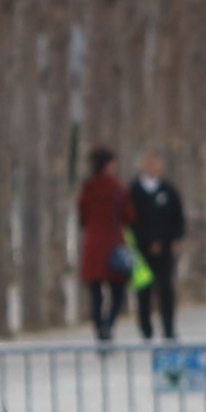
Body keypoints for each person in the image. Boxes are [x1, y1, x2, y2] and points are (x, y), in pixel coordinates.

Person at [123, 156, 189, 344]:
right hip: (141, 250)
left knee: (166, 288)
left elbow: (178, 218)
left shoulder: (168, 190)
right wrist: (144, 241)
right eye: (149, 163)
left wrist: (175, 238)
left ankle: (169, 329)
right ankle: (146, 329)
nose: (153, 167)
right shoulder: (134, 190)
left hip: (165, 248)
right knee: (143, 289)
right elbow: (131, 220)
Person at [75, 147, 132, 344]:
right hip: (114, 243)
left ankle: (99, 329)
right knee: (118, 291)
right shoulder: (118, 188)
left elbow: (82, 216)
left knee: (96, 293)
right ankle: (108, 324)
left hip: (92, 245)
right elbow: (129, 215)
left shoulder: (87, 188)